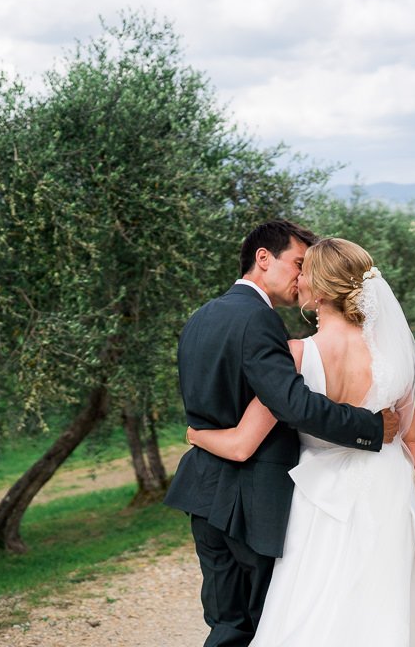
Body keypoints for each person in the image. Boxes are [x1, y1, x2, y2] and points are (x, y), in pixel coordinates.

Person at [187, 237, 415, 646]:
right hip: (387, 496)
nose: (298, 278)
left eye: (305, 271)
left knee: (314, 608)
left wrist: (195, 433)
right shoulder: (395, 358)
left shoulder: (296, 356)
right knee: (387, 607)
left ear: (321, 291)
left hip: (318, 501)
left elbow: (241, 444)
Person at [164, 221, 401, 647]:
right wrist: (371, 426)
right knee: (260, 625)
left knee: (225, 622)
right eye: (297, 263)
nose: (301, 276)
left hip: (203, 493)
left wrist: (197, 436)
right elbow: (293, 404)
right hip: (251, 500)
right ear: (262, 258)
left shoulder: (202, 316)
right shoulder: (259, 320)